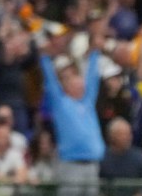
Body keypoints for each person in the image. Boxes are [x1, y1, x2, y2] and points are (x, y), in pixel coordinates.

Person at [38, 41, 104, 196]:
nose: (81, 87)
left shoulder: (87, 103)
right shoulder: (61, 103)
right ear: (67, 87)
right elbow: (51, 82)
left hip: (92, 164)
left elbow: (93, 80)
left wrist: (94, 54)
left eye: (81, 85)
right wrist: (45, 58)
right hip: (71, 164)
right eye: (76, 85)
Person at [99, 117, 142, 195]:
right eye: (122, 134)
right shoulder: (101, 157)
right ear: (111, 136)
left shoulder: (140, 157)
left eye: (129, 134)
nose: (127, 137)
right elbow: (97, 184)